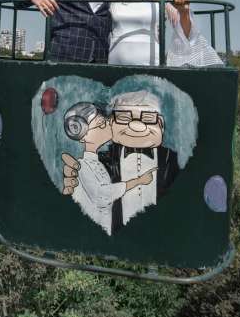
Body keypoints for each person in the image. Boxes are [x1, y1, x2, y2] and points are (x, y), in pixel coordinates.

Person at [62, 90, 179, 233]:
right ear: (112, 122)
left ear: (160, 124)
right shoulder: (103, 161)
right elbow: (98, 195)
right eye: (124, 117)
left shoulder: (172, 160)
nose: (136, 125)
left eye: (148, 117)